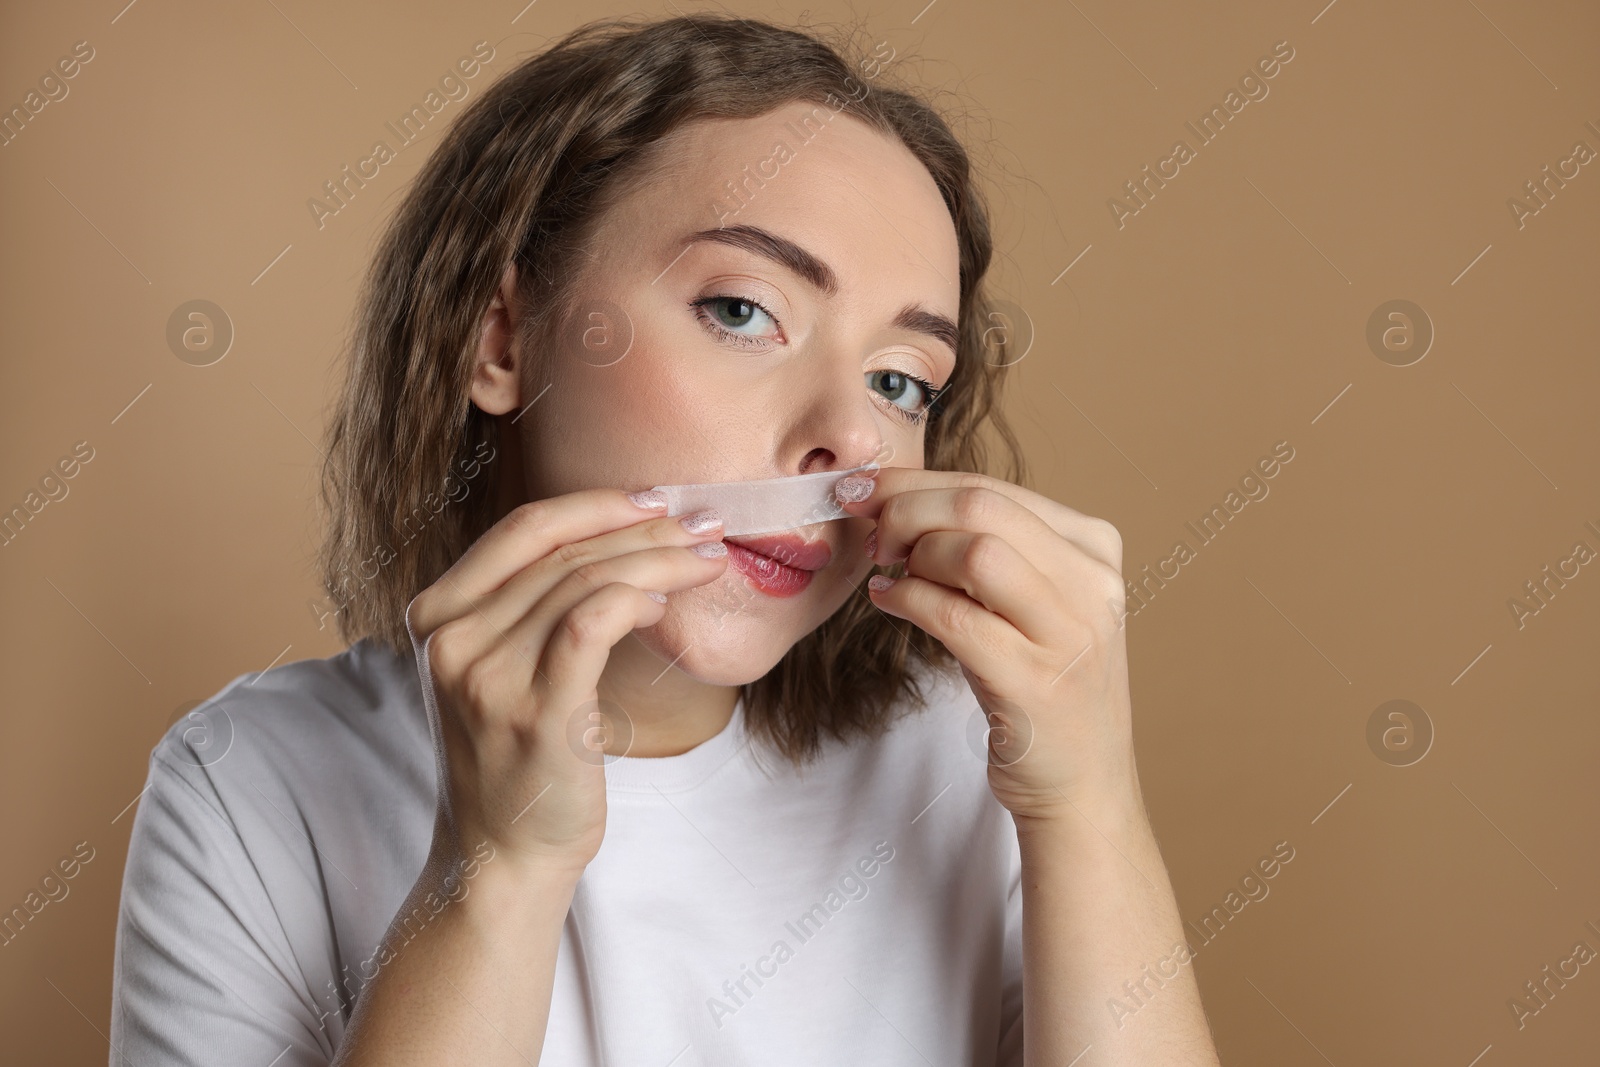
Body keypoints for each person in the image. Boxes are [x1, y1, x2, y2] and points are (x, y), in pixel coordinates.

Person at [109, 14, 1220, 1066]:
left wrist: (1090, 808)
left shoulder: (966, 754)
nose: (846, 436)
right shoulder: (250, 785)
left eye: (898, 380)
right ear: (499, 337)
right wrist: (494, 870)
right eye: (743, 310)